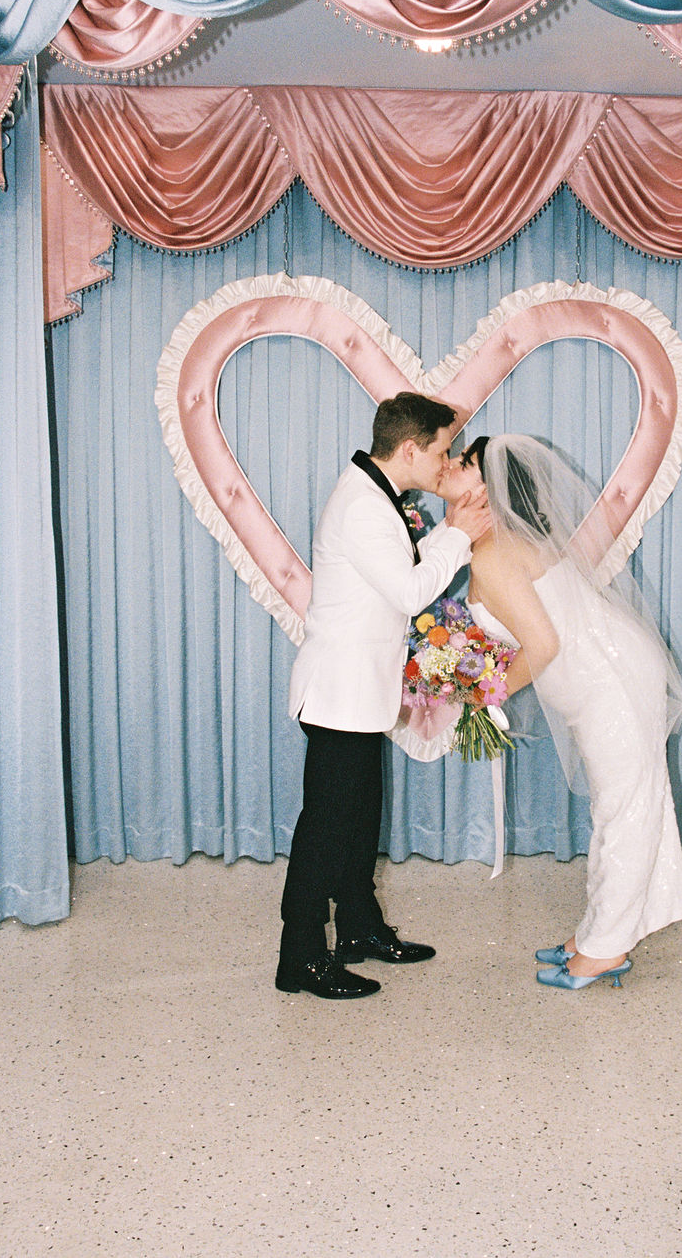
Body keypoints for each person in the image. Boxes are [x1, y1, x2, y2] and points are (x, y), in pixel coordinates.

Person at [439, 433, 682, 991]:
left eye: (465, 462)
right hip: (604, 679)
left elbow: (543, 646)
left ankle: (606, 948)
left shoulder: (497, 550)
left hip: (614, 682)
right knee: (624, 803)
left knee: (624, 808)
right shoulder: (495, 541)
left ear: (489, 488)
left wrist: (484, 694)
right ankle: (600, 931)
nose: (452, 464)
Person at [276, 392, 491, 1000]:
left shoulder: (375, 496)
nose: (446, 461)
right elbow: (409, 591)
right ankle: (301, 958)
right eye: (442, 450)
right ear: (410, 449)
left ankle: (360, 930)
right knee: (326, 829)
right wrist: (457, 532)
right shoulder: (365, 507)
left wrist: (446, 533)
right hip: (338, 695)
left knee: (358, 819)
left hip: (359, 694)